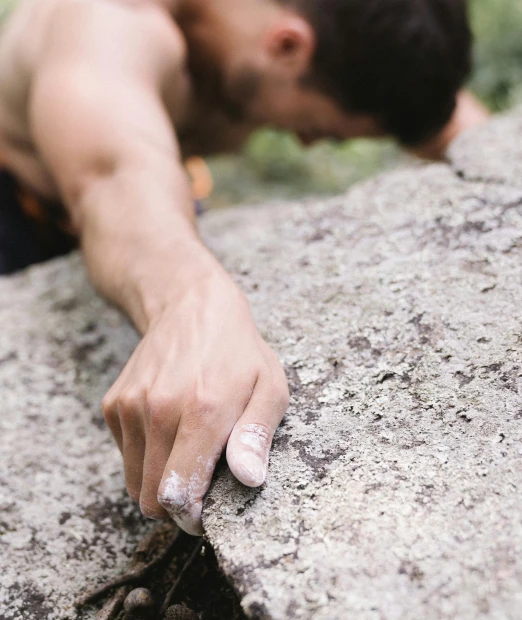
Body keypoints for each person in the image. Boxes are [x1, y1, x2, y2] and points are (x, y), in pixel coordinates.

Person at [0, 0, 488, 534]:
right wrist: (190, 299)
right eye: (321, 132)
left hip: (157, 185)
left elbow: (447, 122)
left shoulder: (317, 43)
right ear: (287, 45)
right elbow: (112, 176)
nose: (304, 140)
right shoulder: (110, 23)